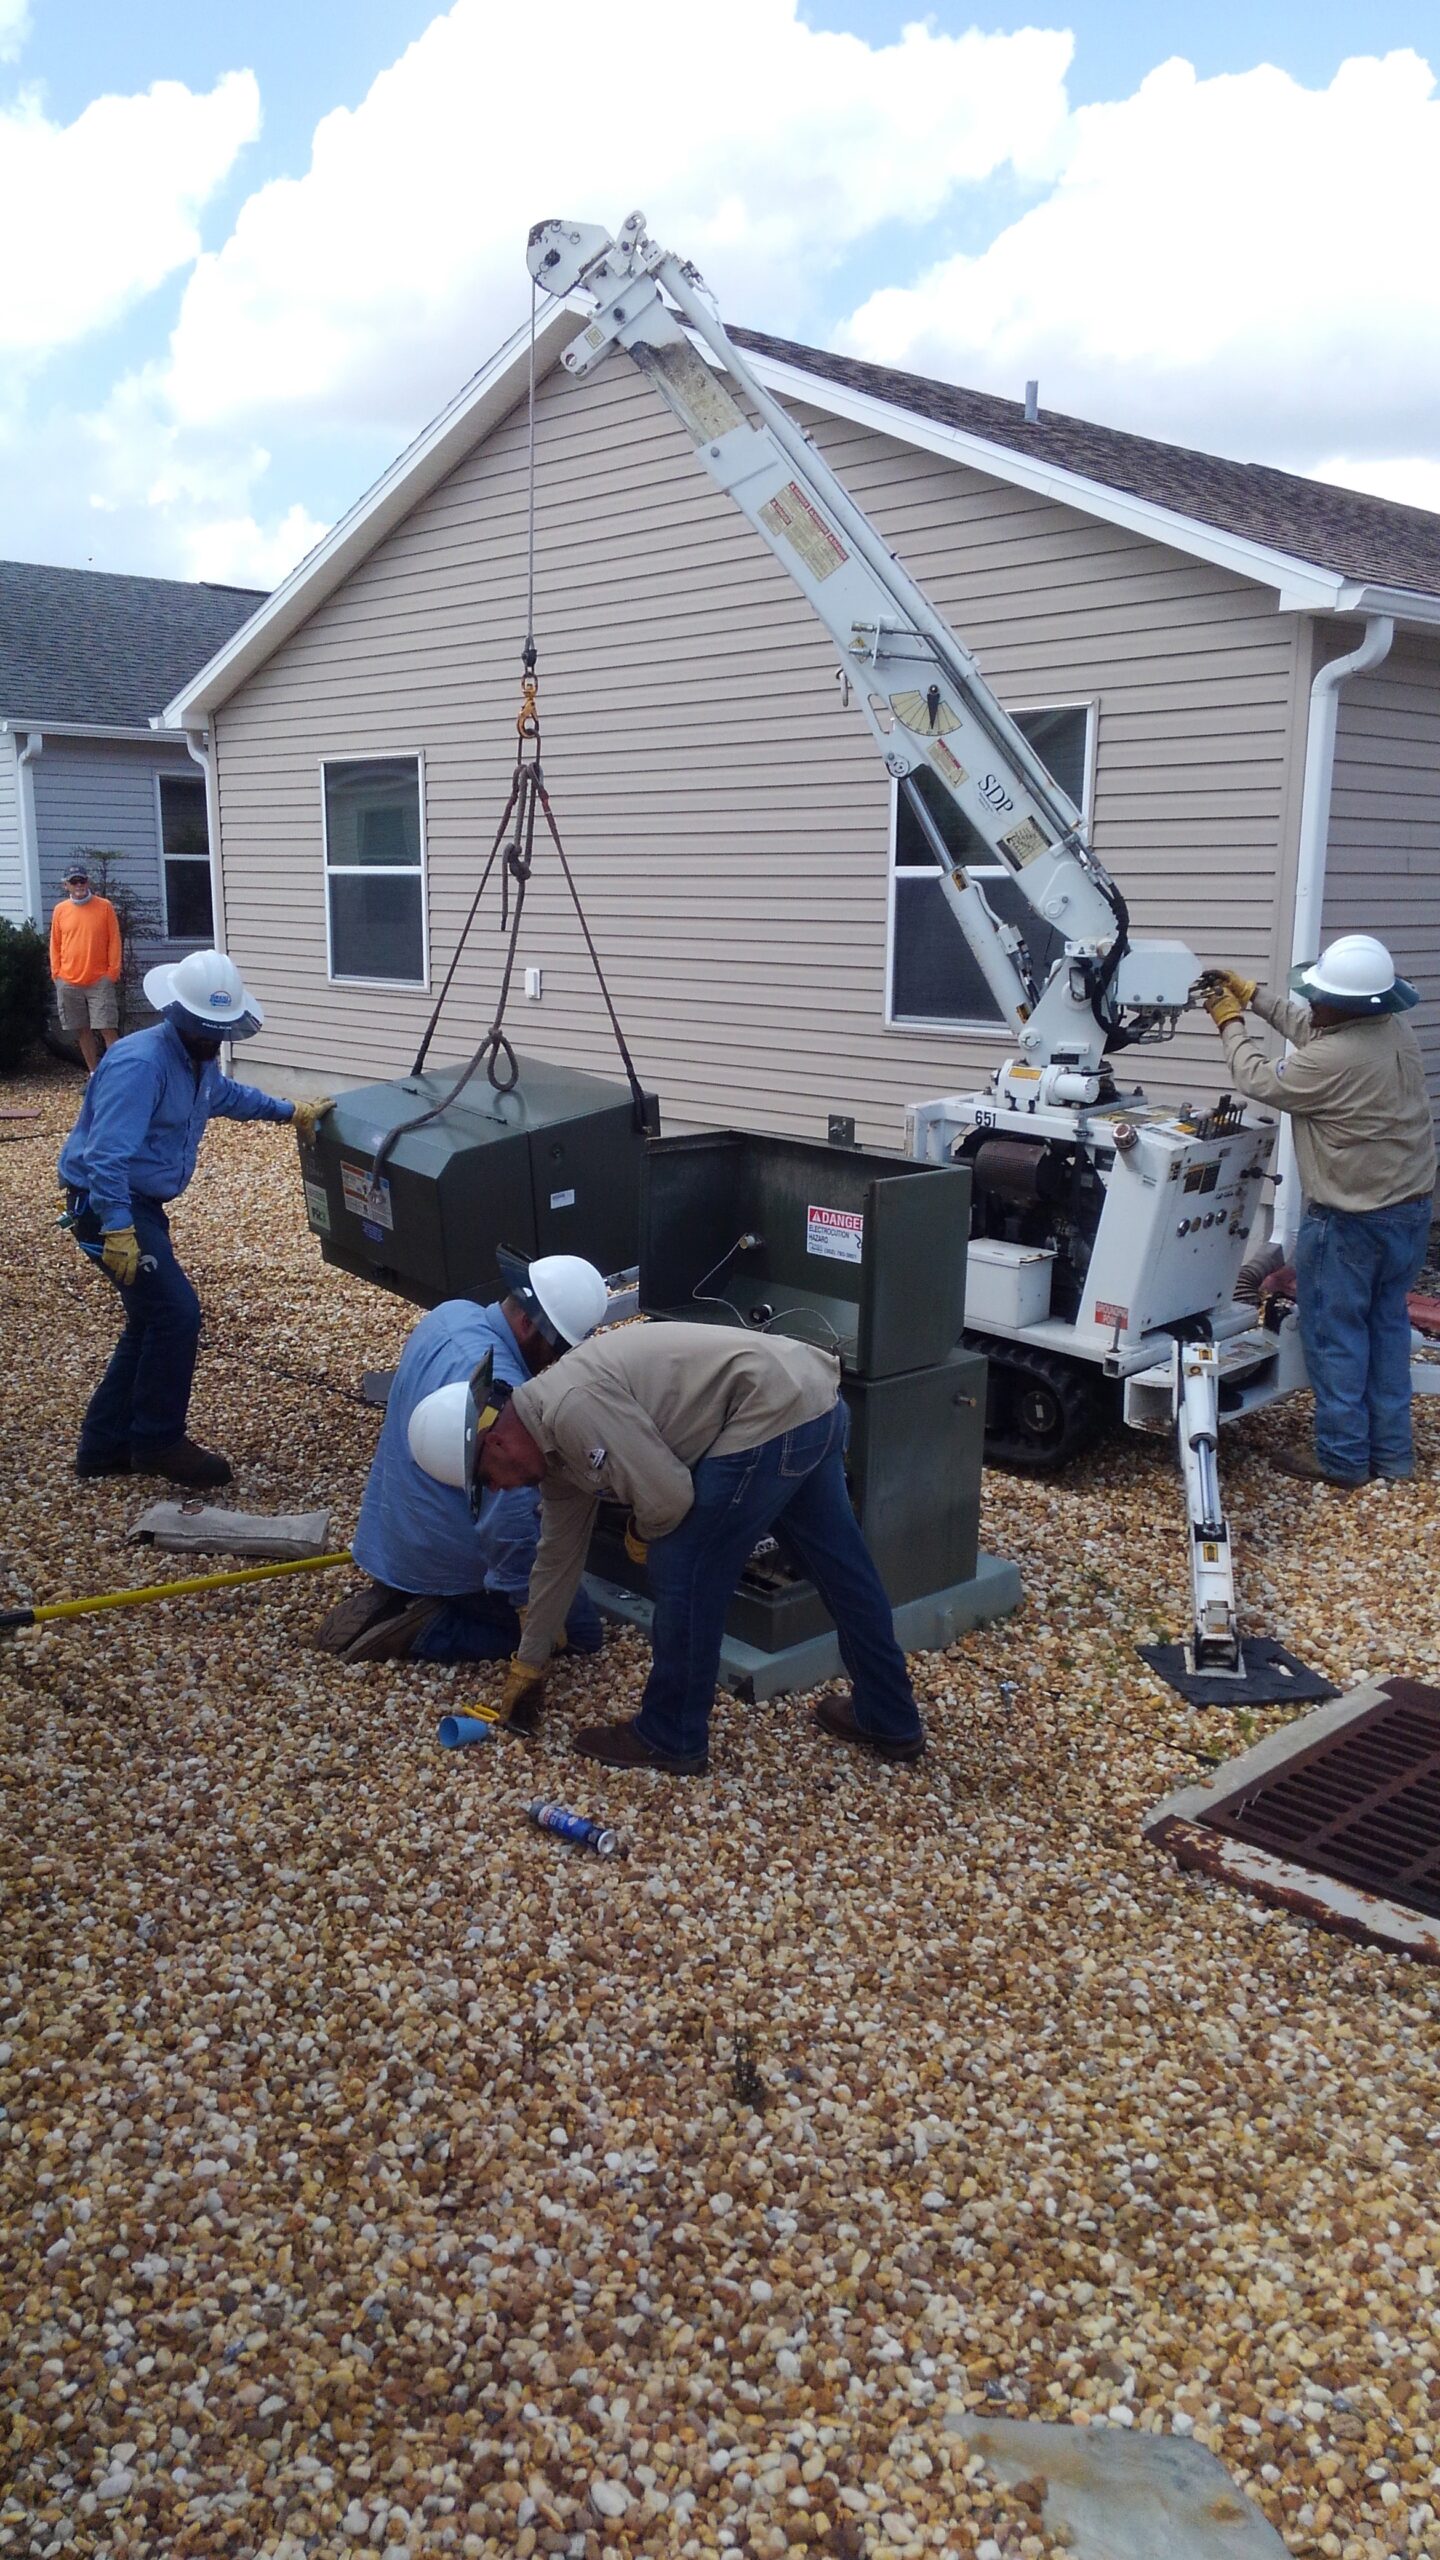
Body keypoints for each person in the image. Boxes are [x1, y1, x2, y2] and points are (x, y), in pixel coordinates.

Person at [408, 1322, 927, 1774]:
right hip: (810, 1400)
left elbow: (668, 1499)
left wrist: (642, 1533)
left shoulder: (571, 1409)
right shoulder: (552, 1445)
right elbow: (557, 1557)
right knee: (842, 1571)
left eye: (487, 1481)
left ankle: (669, 1735)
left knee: (683, 1564)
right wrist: (529, 1661)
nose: (498, 1491)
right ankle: (889, 1717)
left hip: (768, 1416)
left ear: (495, 1442)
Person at [58, 947, 332, 1488]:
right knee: (177, 1314)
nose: (213, 1040)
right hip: (107, 1203)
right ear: (178, 1014)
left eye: (219, 1030)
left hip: (140, 1204)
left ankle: (105, 1447)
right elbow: (105, 1156)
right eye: (205, 1029)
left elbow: (225, 1095)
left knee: (150, 1320)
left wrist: (290, 1111)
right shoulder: (140, 1065)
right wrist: (117, 1227)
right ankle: (157, 1440)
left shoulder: (197, 1062)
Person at [1201, 934, 1436, 1487]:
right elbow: (1317, 1033)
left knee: (1336, 1339)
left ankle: (1344, 1461)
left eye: (1319, 995)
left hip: (1350, 1222)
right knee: (1386, 1329)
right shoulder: (1390, 1031)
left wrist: (1229, 1021)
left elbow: (1257, 1079)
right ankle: (1394, 1459)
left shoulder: (1331, 1061)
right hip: (1410, 1213)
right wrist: (1254, 997)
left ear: (1344, 1003)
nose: (1309, 1003)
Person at [314, 1249, 611, 1663]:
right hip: (444, 1565)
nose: (555, 1361)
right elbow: (507, 1517)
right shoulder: (498, 1392)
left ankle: (402, 1595)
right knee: (581, 1634)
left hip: (392, 1540)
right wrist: (529, 1604)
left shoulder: (449, 1315)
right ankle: (431, 1627)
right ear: (528, 1324)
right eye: (557, 1347)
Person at [50, 862, 122, 1072]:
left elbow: (114, 941)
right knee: (82, 1030)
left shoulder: (104, 907)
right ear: (67, 886)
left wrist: (112, 973)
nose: (79, 885)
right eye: (74, 881)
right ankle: (93, 1074)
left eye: (82, 880)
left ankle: (118, 1073)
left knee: (107, 1027)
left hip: (100, 980)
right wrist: (57, 974)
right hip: (68, 981)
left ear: (87, 882)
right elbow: (55, 943)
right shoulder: (60, 910)